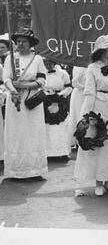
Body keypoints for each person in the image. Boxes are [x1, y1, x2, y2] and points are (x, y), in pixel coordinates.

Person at [74, 35, 108, 196]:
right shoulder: (92, 68)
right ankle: (98, 182)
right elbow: (89, 92)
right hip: (97, 107)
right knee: (98, 144)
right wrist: (86, 115)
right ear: (101, 50)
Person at [3, 29, 48, 179]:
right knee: (17, 133)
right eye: (18, 41)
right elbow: (6, 78)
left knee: (33, 133)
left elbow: (42, 81)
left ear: (30, 44)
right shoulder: (10, 58)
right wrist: (13, 91)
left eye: (24, 41)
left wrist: (24, 86)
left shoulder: (37, 59)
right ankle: (15, 170)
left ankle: (35, 170)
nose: (20, 44)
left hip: (32, 102)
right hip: (15, 101)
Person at [43, 57, 72, 158]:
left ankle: (62, 152)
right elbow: (39, 86)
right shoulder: (42, 73)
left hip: (60, 101)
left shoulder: (63, 73)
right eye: (45, 62)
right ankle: (49, 153)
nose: (48, 64)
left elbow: (69, 87)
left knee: (61, 127)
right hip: (46, 101)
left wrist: (60, 94)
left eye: (50, 62)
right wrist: (45, 94)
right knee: (48, 127)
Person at [66, 66, 87, 151]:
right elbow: (74, 82)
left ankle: (86, 137)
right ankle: (78, 139)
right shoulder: (79, 66)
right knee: (79, 115)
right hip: (80, 93)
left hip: (88, 94)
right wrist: (85, 87)